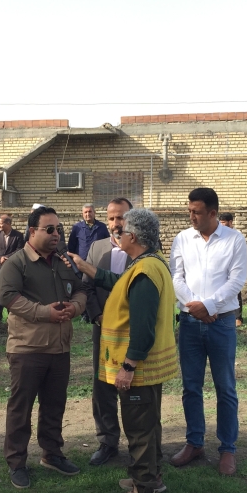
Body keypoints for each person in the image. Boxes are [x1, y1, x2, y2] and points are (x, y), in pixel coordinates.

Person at [68, 209, 177, 493]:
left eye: (121, 232)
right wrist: (88, 268)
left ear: (133, 237)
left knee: (139, 429)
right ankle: (151, 477)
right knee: (150, 424)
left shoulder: (144, 272)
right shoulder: (148, 264)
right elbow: (119, 282)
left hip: (138, 368)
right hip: (151, 366)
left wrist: (128, 366)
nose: (116, 235)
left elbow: (142, 327)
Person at [0, 206, 87, 489]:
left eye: (58, 229)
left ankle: (52, 453)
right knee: (20, 408)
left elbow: (81, 290)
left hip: (59, 348)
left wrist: (76, 307)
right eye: (49, 229)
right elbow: (8, 297)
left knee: (54, 405)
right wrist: (44, 312)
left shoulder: (62, 262)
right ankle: (16, 462)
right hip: (28, 349)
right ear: (32, 231)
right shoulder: (16, 263)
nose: (56, 234)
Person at [169, 188, 247, 476]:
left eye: (197, 212)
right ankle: (194, 442)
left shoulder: (234, 239)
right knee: (191, 386)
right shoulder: (182, 239)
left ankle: (227, 449)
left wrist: (210, 305)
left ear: (213, 213)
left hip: (221, 322)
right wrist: (194, 306)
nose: (191, 216)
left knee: (225, 387)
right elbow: (176, 275)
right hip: (190, 322)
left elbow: (237, 278)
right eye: (189, 210)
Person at [83, 197, 132, 466]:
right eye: (112, 218)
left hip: (132, 330)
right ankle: (107, 442)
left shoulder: (144, 248)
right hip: (103, 329)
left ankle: (140, 442)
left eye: (121, 217)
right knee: (102, 385)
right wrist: (98, 315)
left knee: (133, 384)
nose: (116, 223)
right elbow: (87, 287)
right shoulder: (97, 247)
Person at [0, 214, 24, 326]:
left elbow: (20, 250)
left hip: (12, 269)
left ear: (8, 224)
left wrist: (7, 258)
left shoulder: (18, 236)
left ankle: (12, 316)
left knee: (12, 291)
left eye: (0, 223)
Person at [218, 213, 243, 327]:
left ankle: (238, 317)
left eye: (224, 223)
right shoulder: (219, 234)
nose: (222, 225)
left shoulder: (237, 235)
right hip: (221, 268)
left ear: (231, 222)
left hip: (233, 267)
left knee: (235, 293)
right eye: (221, 223)